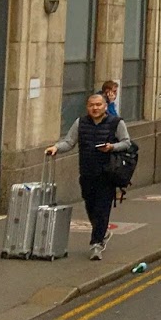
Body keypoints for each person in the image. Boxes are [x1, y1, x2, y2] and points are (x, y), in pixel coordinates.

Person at [47, 92, 131, 260]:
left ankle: (96, 244)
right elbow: (69, 142)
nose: (95, 108)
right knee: (90, 207)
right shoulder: (81, 123)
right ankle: (102, 232)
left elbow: (127, 142)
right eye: (92, 105)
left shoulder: (116, 123)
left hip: (107, 174)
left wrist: (112, 147)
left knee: (102, 209)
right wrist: (56, 148)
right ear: (87, 107)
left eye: (98, 105)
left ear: (105, 107)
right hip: (87, 173)